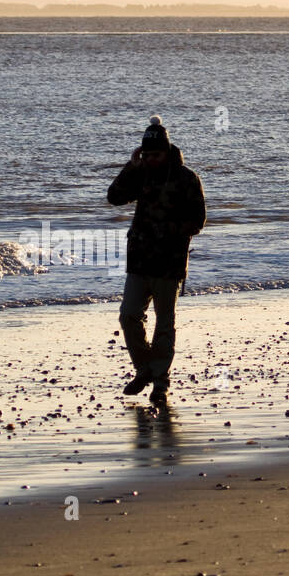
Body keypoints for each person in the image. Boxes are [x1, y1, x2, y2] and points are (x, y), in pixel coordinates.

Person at [108, 115, 206, 406]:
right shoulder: (140, 173)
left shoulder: (187, 178)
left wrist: (168, 231)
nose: (150, 159)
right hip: (138, 259)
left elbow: (198, 221)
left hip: (170, 262)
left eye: (155, 154)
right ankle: (145, 369)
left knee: (165, 323)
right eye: (146, 154)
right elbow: (114, 197)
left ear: (167, 150)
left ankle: (160, 382)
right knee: (128, 315)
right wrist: (131, 166)